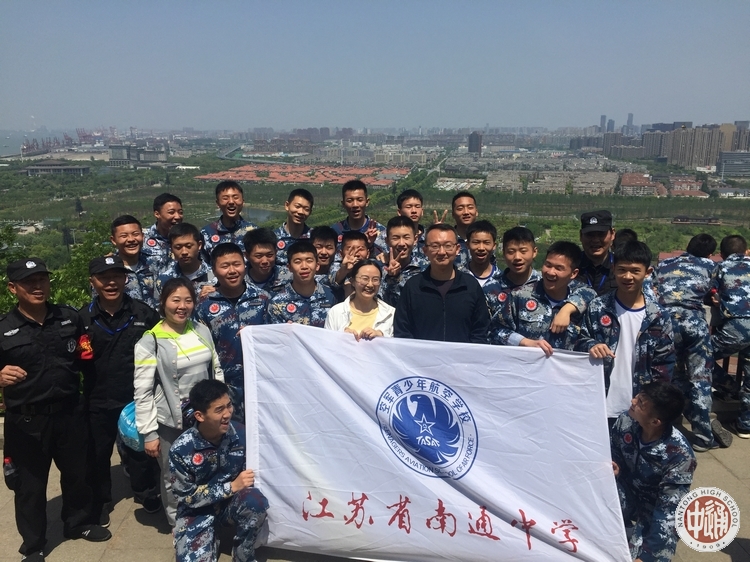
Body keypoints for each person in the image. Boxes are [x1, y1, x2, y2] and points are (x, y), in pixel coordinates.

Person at [1, 258, 111, 562]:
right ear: (12, 288)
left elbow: (86, 358)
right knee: (29, 486)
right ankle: (33, 544)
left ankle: (78, 523)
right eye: (29, 282)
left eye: (42, 280)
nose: (38, 286)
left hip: (69, 412)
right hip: (26, 420)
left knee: (78, 474)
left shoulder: (69, 318)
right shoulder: (3, 328)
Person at [134, 277, 225, 526]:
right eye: (175, 300)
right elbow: (142, 391)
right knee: (173, 474)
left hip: (205, 417)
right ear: (163, 303)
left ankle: (207, 518)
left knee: (207, 467)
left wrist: (222, 407)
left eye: (188, 300)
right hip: (171, 421)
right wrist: (149, 433)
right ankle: (179, 524)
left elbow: (216, 369)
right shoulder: (150, 341)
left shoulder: (201, 330)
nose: (182, 306)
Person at [79, 256, 162, 525]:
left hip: (135, 398)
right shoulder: (81, 318)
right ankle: (101, 500)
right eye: (104, 277)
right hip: (98, 399)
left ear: (126, 279)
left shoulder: (144, 314)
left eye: (117, 276)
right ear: (93, 281)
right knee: (97, 454)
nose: (111, 282)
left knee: (139, 452)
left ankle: (146, 492)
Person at [576, 241, 675, 426]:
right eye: (622, 270)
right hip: (599, 401)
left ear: (648, 272)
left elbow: (664, 365)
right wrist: (591, 345)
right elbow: (579, 341)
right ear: (613, 269)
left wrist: (653, 403)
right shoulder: (598, 307)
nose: (627, 277)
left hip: (639, 408)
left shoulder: (658, 316)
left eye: (635, 271)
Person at [170, 379, 268, 562]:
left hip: (230, 505)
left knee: (255, 501)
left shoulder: (243, 435)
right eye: (219, 410)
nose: (227, 414)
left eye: (229, 405)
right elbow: (187, 496)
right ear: (200, 416)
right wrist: (231, 487)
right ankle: (197, 537)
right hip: (197, 511)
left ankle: (243, 555)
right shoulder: (181, 449)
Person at [655, 234, 732, 452]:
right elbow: (723, 291)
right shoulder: (711, 266)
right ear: (710, 254)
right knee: (700, 379)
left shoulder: (665, 264)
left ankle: (670, 425)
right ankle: (703, 436)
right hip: (694, 324)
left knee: (670, 376)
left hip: (665, 324)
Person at [611, 382, 696, 562]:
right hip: (624, 492)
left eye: (641, 403)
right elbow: (613, 451)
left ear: (655, 421)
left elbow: (669, 512)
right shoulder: (626, 421)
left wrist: (646, 557)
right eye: (638, 396)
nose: (633, 401)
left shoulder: (679, 455)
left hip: (652, 509)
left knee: (646, 556)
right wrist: (615, 466)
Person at [195, 243, 269, 423]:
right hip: (223, 389)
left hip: (261, 384)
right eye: (225, 266)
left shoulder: (263, 299)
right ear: (214, 270)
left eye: (237, 264)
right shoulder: (204, 305)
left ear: (244, 265)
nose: (232, 271)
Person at [490, 241, 596, 354]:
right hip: (526, 363)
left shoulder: (582, 302)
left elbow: (585, 338)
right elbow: (495, 331)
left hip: (564, 365)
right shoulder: (520, 296)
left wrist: (594, 346)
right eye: (548, 265)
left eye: (559, 268)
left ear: (573, 273)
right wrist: (524, 342)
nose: (550, 272)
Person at [394, 223, 490, 343]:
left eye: (448, 246)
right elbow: (402, 331)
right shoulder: (413, 287)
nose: (441, 252)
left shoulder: (470, 286)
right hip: (421, 355)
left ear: (457, 249)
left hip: (462, 355)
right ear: (425, 250)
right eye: (435, 246)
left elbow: (480, 331)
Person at [710, 235, 750, 438]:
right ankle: (745, 425)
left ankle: (729, 386)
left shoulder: (721, 267)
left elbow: (709, 291)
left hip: (737, 327)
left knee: (699, 355)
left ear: (722, 254)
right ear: (746, 251)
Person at [265, 241, 335, 327]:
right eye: (297, 262)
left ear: (317, 265)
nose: (304, 266)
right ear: (289, 267)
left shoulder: (331, 296)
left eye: (309, 261)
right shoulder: (277, 304)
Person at [325, 259, 395, 339]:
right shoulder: (336, 312)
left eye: (375, 280)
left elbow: (398, 344)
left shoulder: (391, 314)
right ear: (352, 281)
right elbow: (326, 343)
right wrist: (341, 336)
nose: (370, 285)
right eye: (365, 279)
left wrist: (382, 336)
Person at [483, 226, 540, 318]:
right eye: (511, 252)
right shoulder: (491, 288)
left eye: (523, 251)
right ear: (503, 253)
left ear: (534, 252)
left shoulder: (544, 285)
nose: (517, 257)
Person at [155, 223, 217, 301]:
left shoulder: (216, 275)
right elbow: (159, 306)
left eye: (188, 246)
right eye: (178, 247)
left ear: (199, 245)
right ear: (171, 248)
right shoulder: (164, 280)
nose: (184, 252)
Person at [378, 215, 428, 307]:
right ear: (387, 241)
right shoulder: (378, 268)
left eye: (406, 237)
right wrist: (392, 278)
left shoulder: (426, 269)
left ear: (415, 239)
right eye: (396, 238)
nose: (401, 243)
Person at [201, 181, 257, 261]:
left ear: (243, 202)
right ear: (217, 203)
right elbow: (203, 263)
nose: (231, 202)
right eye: (225, 198)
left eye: (235, 197)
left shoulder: (254, 232)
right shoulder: (206, 233)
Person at [109, 214, 158, 308]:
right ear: (113, 240)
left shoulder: (155, 263)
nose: (131, 239)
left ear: (143, 236)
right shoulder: (109, 270)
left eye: (135, 234)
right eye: (124, 236)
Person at [331, 179, 387, 258]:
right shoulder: (334, 232)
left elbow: (385, 259)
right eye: (350, 201)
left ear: (367, 202)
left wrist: (370, 245)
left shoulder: (380, 231)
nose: (355, 205)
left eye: (359, 200)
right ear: (343, 204)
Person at [578, 210, 618, 296]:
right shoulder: (571, 266)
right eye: (590, 235)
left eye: (601, 234)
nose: (595, 240)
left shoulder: (621, 267)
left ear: (612, 234)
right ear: (581, 235)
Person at [243, 228, 292, 295]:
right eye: (259, 256)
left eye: (269, 255)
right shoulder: (239, 281)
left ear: (276, 252)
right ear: (247, 256)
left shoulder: (289, 277)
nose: (265, 261)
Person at [142, 193, 184, 271]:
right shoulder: (142, 238)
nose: (177, 217)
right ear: (157, 214)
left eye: (180, 212)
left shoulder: (187, 238)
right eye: (171, 212)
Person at [274, 188, 314, 265]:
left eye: (306, 209)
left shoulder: (314, 238)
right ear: (287, 205)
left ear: (310, 212)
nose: (301, 212)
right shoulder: (274, 237)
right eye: (297, 206)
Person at [330, 231, 370, 299]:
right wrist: (344, 271)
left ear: (368, 253)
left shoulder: (374, 268)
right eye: (350, 249)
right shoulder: (336, 266)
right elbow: (333, 283)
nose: (356, 254)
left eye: (361, 249)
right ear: (341, 254)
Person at [310, 225, 343, 302]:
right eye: (319, 247)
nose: (324, 252)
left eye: (329, 247)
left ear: (336, 250)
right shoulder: (303, 270)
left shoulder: (341, 269)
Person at [463, 220, 499, 287]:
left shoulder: (502, 280)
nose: (481, 248)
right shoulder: (458, 277)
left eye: (486, 243)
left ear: (494, 246)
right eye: (476, 242)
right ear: (467, 245)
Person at [451, 191, 479, 268]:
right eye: (460, 209)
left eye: (470, 208)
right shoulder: (448, 240)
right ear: (453, 214)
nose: (466, 212)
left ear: (476, 212)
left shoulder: (484, 239)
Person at [396, 188, 427, 254]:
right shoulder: (390, 237)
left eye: (417, 206)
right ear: (399, 212)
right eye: (408, 207)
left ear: (422, 211)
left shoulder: (429, 237)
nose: (414, 211)